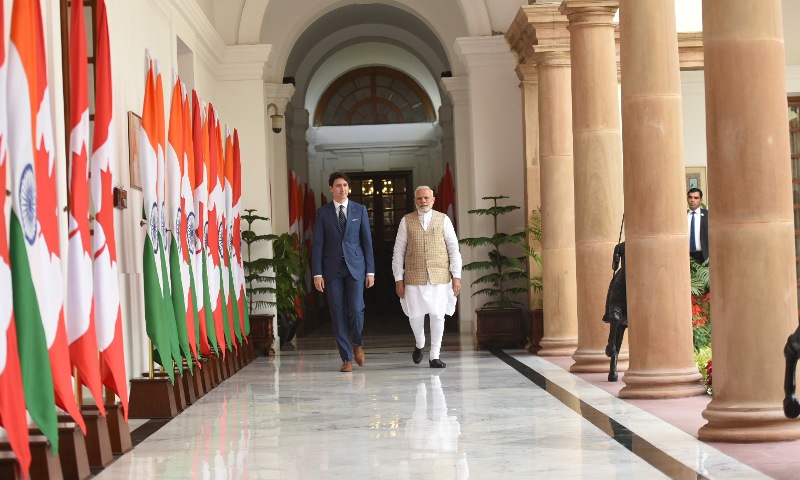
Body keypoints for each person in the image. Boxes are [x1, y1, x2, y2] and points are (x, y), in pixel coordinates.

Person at [392, 186, 462, 368]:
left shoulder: (444, 219)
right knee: (415, 316)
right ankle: (420, 343)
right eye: (419, 198)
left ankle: (434, 355)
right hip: (414, 277)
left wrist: (457, 275)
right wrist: (398, 278)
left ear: (433, 200)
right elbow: (398, 251)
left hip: (440, 276)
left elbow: (454, 248)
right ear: (415, 201)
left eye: (426, 198)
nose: (423, 201)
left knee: (438, 316)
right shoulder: (406, 221)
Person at [312, 171, 375, 372]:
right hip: (332, 270)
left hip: (356, 268)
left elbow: (367, 242)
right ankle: (346, 358)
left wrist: (370, 271)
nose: (342, 189)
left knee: (356, 309)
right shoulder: (323, 213)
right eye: (338, 186)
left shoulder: (360, 210)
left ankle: (357, 343)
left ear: (349, 188)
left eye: (345, 185)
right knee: (338, 313)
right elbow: (318, 245)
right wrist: (317, 273)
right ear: (331, 188)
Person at [687, 187, 709, 264]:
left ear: (701, 201)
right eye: (690, 197)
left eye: (696, 198)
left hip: (703, 256)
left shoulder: (708, 215)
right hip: (686, 256)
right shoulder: (682, 216)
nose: (692, 200)